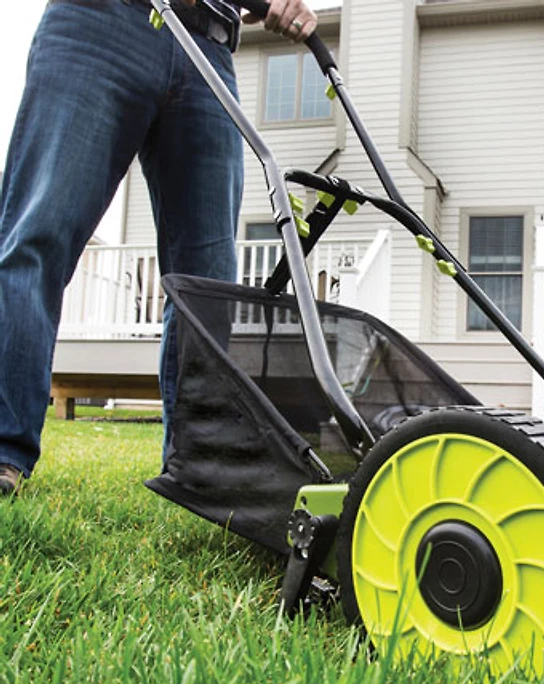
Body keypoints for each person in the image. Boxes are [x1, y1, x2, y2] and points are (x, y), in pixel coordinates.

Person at [0, 0, 318, 497]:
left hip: (207, 45)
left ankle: (198, 468)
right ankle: (4, 452)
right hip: (99, 20)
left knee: (209, 283)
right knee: (39, 235)